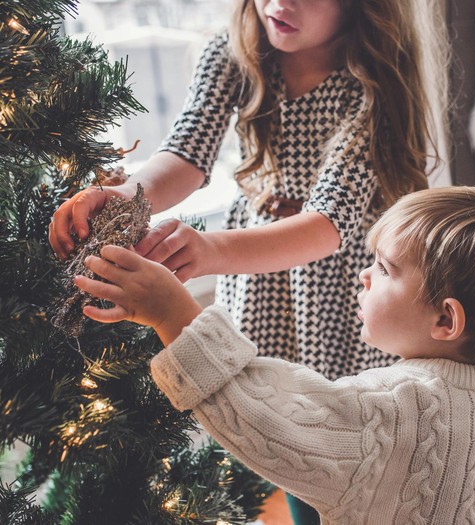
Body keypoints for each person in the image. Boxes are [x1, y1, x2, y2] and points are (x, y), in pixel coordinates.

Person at [50, 1, 448, 521]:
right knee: (258, 420)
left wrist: (213, 249)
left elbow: (328, 224)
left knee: (326, 443)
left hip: (337, 289)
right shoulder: (234, 52)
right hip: (259, 285)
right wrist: (130, 194)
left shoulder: (371, 83)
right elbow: (187, 154)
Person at [73, 185, 475, 524]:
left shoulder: (397, 406)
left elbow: (263, 418)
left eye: (385, 268)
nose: (364, 275)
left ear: (445, 320)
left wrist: (173, 315)